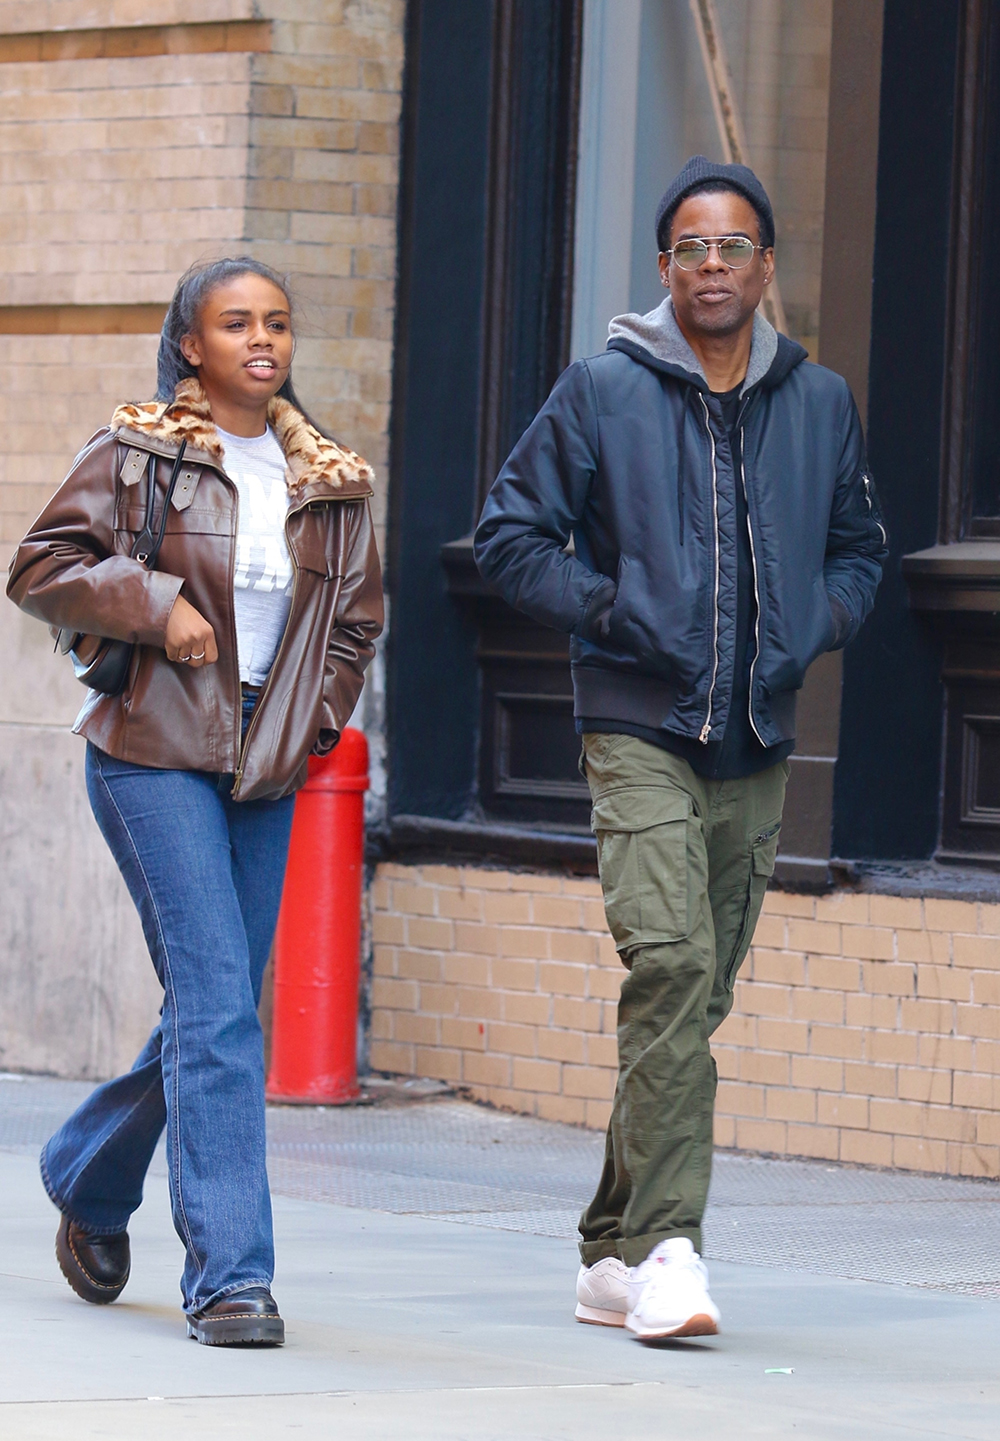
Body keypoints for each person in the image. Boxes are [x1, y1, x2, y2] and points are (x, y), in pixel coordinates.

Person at [474, 157, 886, 1342]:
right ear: (665, 269)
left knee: (687, 995)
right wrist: (616, 613)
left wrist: (813, 623)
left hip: (754, 734)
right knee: (667, 964)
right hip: (637, 723)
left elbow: (859, 548)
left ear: (766, 265)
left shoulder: (819, 401)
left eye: (734, 246)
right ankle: (669, 1250)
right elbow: (510, 536)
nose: (713, 265)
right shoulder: (603, 388)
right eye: (691, 249)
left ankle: (607, 1250)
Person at [7, 257, 383, 1346]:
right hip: (152, 750)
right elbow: (39, 564)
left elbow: (355, 622)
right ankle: (231, 1279)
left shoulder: (332, 480)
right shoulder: (142, 454)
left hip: (266, 763)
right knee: (219, 1004)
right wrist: (156, 603)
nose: (262, 340)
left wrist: (314, 724)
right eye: (235, 323)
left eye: (276, 322)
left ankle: (85, 1170)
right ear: (191, 345)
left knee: (213, 1009)